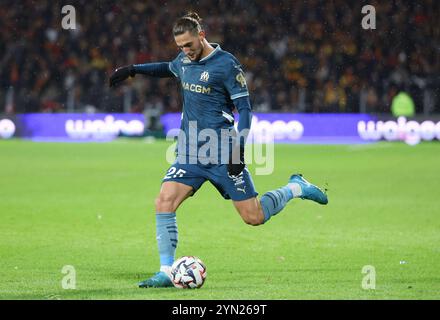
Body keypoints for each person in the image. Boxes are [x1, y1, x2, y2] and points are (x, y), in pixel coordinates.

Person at [109, 12, 328, 288]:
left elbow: (246, 110)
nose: (185, 52)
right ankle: (166, 270)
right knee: (164, 202)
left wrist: (239, 149)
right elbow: (168, 67)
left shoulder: (226, 65)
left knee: (254, 216)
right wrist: (133, 69)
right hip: (189, 152)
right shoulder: (184, 60)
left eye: (189, 45)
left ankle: (296, 187)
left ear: (201, 35)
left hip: (223, 152)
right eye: (180, 47)